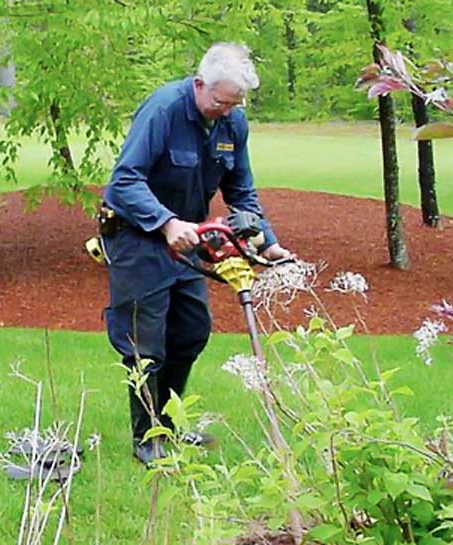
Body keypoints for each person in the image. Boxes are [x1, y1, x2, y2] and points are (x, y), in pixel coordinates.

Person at [100, 42, 291, 465]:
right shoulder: (164, 110)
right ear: (200, 84)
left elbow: (241, 190)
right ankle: (146, 438)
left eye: (235, 104)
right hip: (138, 236)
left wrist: (267, 241)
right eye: (221, 102)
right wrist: (167, 223)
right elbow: (124, 181)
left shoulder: (232, 123)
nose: (226, 111)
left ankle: (170, 425)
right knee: (144, 343)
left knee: (190, 331)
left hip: (189, 240)